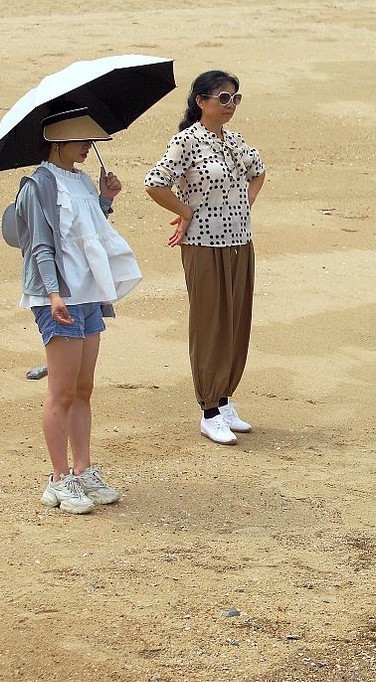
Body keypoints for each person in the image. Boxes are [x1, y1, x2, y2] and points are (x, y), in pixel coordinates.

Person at [13, 107, 142, 514]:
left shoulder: (82, 181)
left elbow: (88, 232)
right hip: (60, 299)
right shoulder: (38, 186)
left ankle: (83, 470)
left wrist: (105, 199)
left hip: (88, 295)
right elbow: (40, 245)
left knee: (83, 388)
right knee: (62, 392)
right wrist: (53, 295)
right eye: (82, 140)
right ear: (58, 141)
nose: (88, 147)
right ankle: (58, 479)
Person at [144, 70, 266, 445]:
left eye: (235, 98)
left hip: (240, 241)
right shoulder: (186, 141)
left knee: (236, 322)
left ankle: (225, 400)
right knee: (210, 323)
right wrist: (186, 211)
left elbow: (259, 172)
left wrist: (244, 205)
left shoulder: (235, 140)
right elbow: (155, 183)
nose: (230, 105)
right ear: (201, 101)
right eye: (223, 98)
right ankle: (209, 410)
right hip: (203, 245)